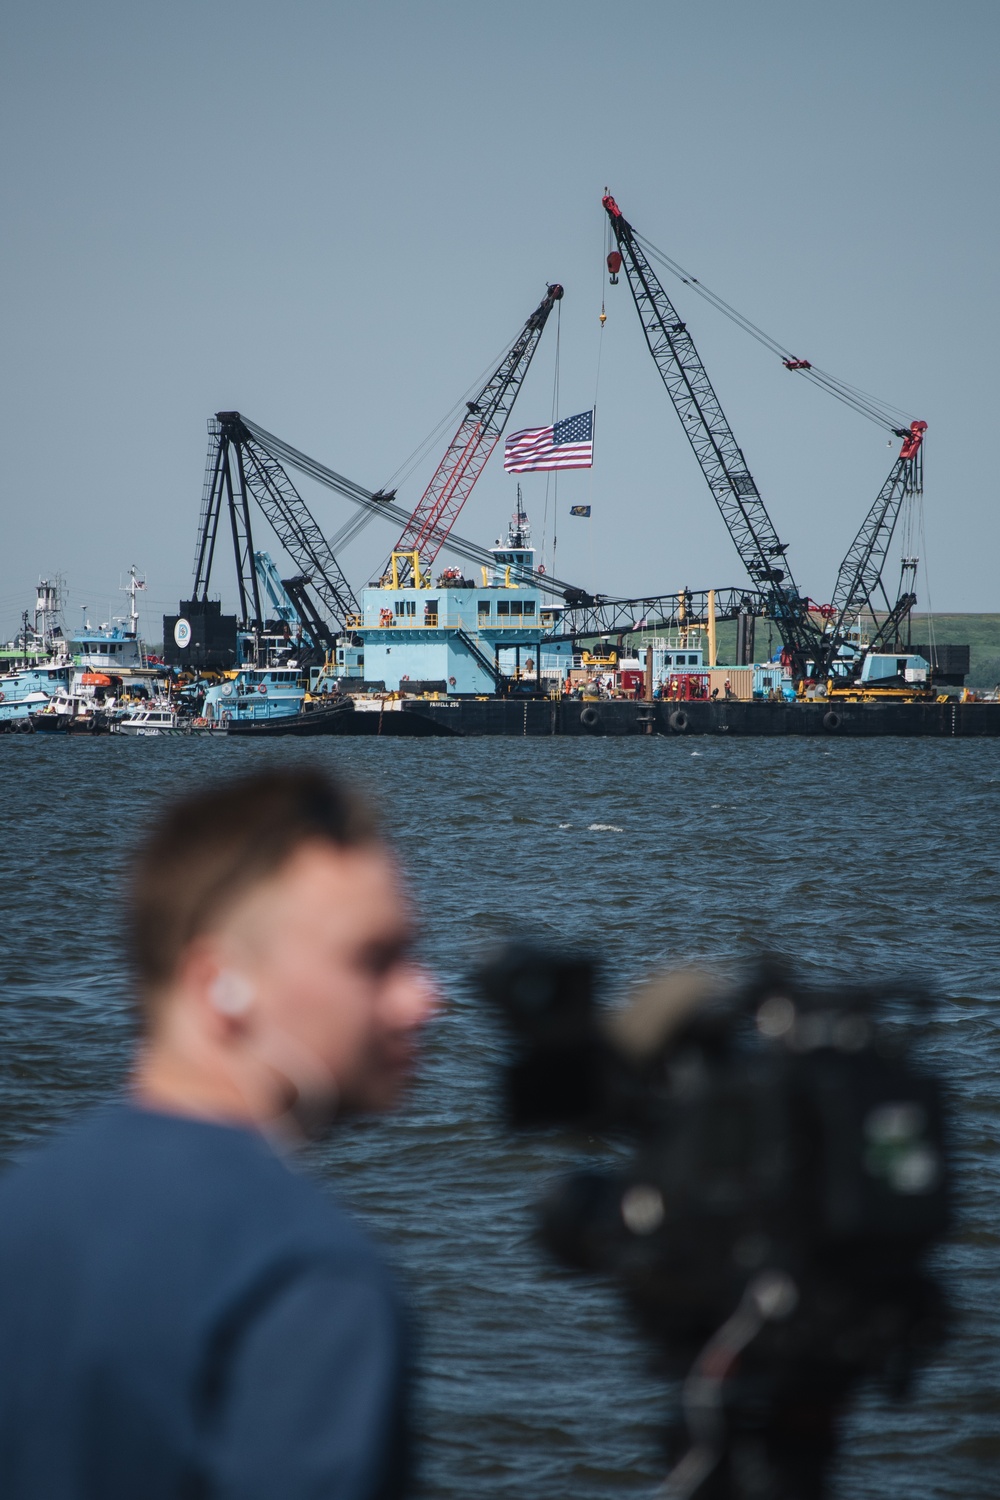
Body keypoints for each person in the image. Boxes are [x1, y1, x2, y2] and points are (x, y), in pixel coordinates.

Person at [0, 768, 437, 1500]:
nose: (424, 996)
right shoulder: (309, 1282)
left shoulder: (21, 1214)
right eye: (375, 960)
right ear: (219, 985)